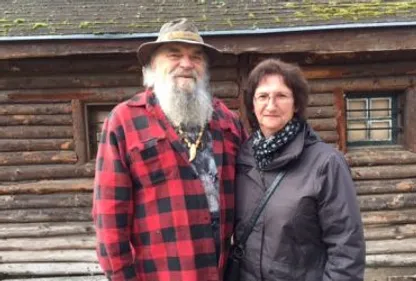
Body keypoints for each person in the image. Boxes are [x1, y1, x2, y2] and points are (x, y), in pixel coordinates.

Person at [92, 18, 246, 281]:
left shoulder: (227, 123)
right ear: (153, 65)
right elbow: (109, 217)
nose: (186, 64)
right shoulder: (124, 122)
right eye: (174, 55)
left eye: (196, 57)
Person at [233, 59, 365, 281]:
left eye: (281, 96)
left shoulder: (326, 164)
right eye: (263, 96)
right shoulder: (243, 159)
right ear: (252, 105)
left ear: (296, 105)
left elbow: (346, 249)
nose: (271, 105)